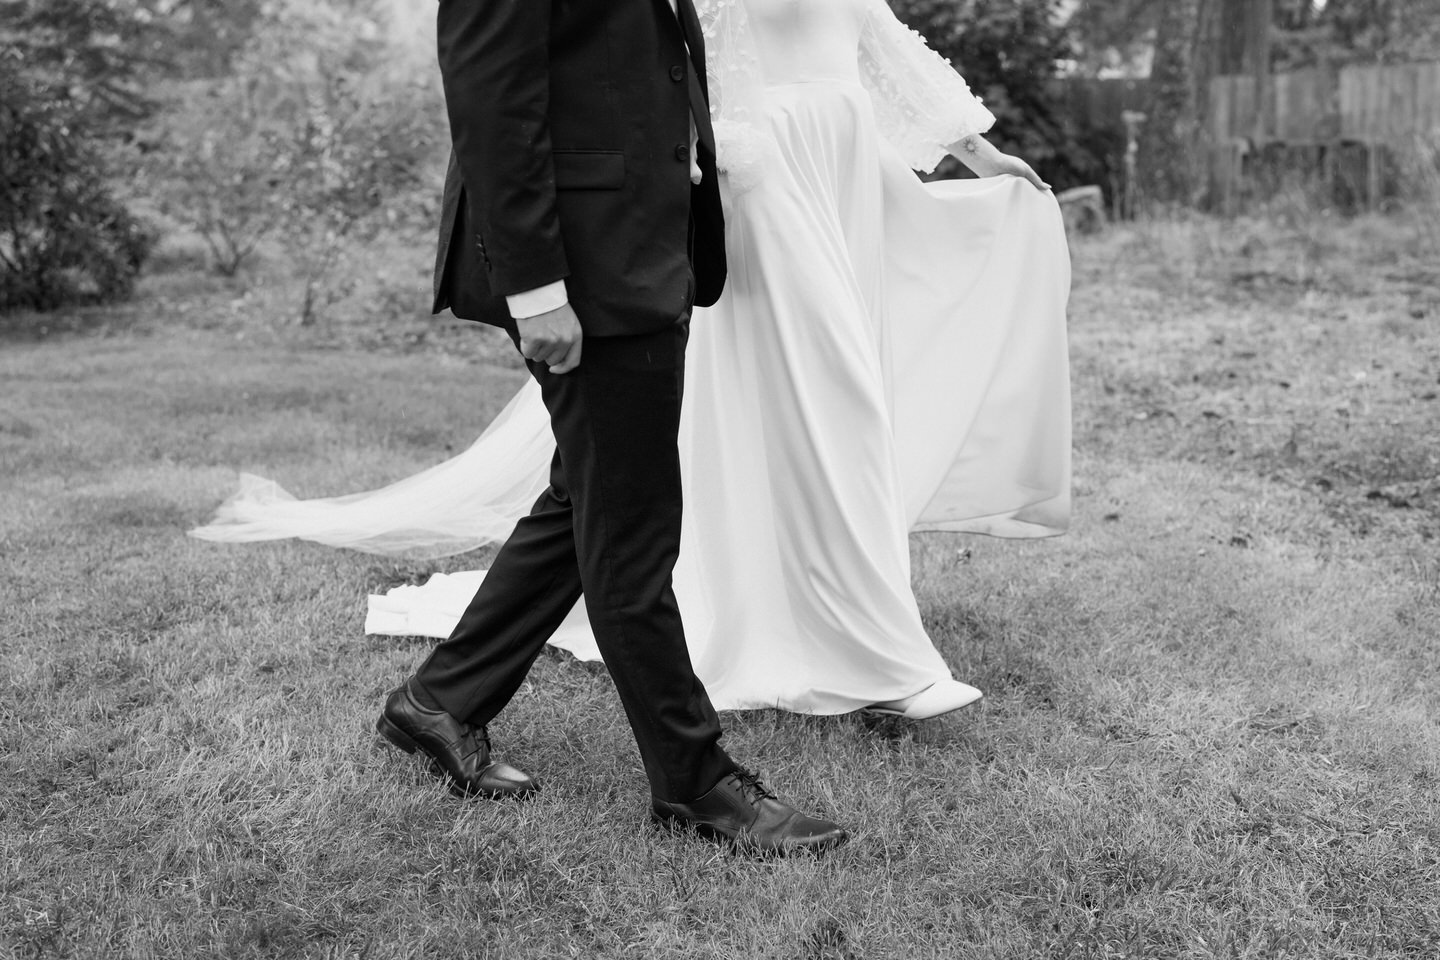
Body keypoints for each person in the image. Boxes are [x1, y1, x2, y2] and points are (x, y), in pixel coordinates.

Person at [193, 0, 1071, 721]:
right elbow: (678, 64)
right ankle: (874, 661)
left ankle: (446, 701)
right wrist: (718, 175)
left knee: (636, 468)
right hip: (763, 186)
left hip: (844, 180)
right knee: (830, 401)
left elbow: (870, 31)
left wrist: (974, 146)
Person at [356, 0, 848, 855]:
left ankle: (439, 703)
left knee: (591, 497)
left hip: (640, 247)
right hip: (578, 269)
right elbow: (488, 103)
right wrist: (535, 287)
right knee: (632, 529)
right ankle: (696, 783)